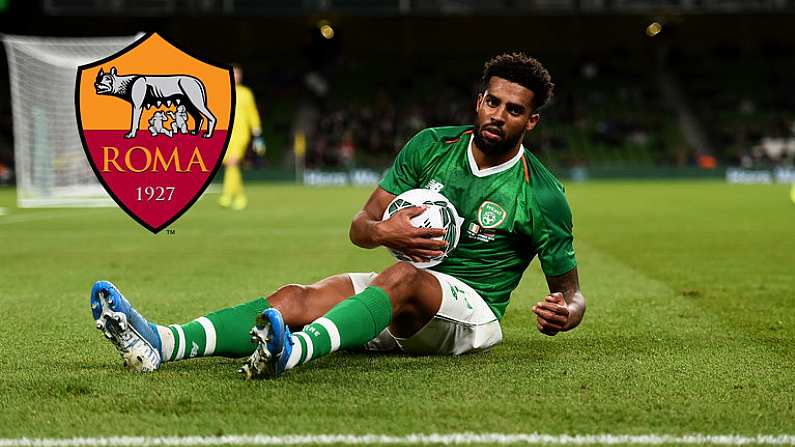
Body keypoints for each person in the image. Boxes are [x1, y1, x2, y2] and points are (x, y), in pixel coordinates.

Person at [91, 53, 586, 378]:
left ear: (531, 120)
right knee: (295, 297)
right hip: (399, 289)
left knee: (402, 277)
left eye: (514, 110)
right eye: (492, 102)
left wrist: (565, 313)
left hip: (470, 315)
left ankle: (292, 353)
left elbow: (572, 294)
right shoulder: (431, 146)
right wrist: (383, 229)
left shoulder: (541, 193)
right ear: (479, 101)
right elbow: (359, 227)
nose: (498, 116)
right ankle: (161, 341)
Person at [218, 64, 266, 210]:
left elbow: (253, 114)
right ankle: (239, 196)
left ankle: (226, 196)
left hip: (241, 135)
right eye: (234, 74)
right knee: (229, 164)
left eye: (238, 74)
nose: (236, 77)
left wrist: (257, 136)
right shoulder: (221, 92)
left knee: (232, 162)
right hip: (225, 134)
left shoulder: (246, 93)